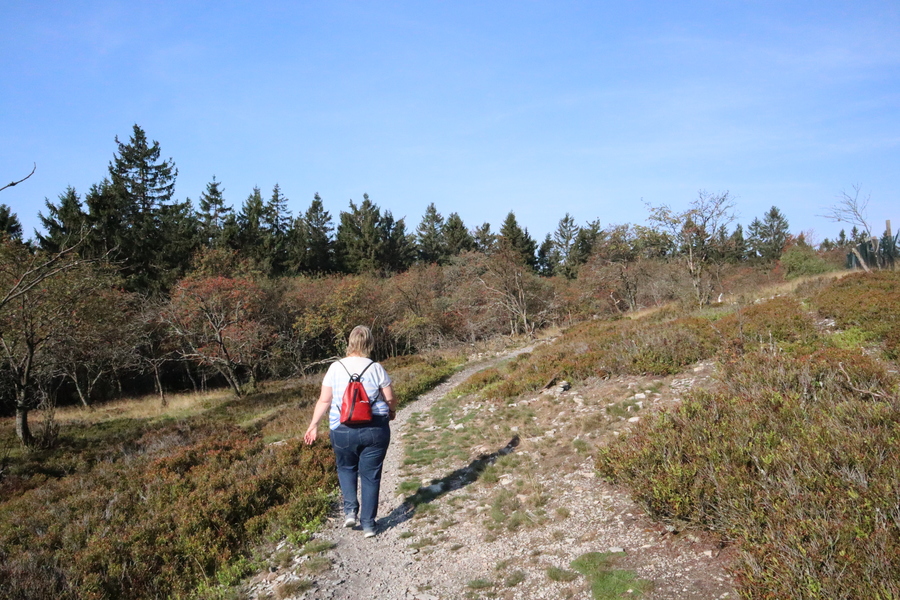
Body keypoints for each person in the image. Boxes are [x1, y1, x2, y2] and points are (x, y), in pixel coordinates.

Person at [304, 325, 397, 538]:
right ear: (369, 343)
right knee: (371, 476)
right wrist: (391, 412)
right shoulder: (375, 367)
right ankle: (368, 525)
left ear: (350, 342)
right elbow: (389, 398)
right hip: (375, 429)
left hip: (342, 429)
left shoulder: (335, 368)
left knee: (345, 468)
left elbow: (324, 400)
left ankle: (349, 512)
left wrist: (314, 425)